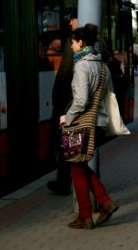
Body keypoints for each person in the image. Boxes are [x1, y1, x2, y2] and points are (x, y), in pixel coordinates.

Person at [60, 24, 118, 229]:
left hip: (82, 123)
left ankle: (91, 211)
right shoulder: (103, 66)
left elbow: (81, 100)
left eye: (73, 43)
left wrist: (67, 117)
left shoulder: (82, 66)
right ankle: (99, 205)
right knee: (80, 165)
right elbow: (107, 96)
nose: (72, 47)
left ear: (81, 43)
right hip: (99, 122)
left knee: (76, 166)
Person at [47, 10, 78, 195]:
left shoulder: (74, 44)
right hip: (72, 105)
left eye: (72, 20)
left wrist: (59, 103)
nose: (70, 23)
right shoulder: (95, 46)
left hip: (69, 106)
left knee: (70, 148)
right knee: (72, 149)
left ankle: (64, 183)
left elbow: (65, 74)